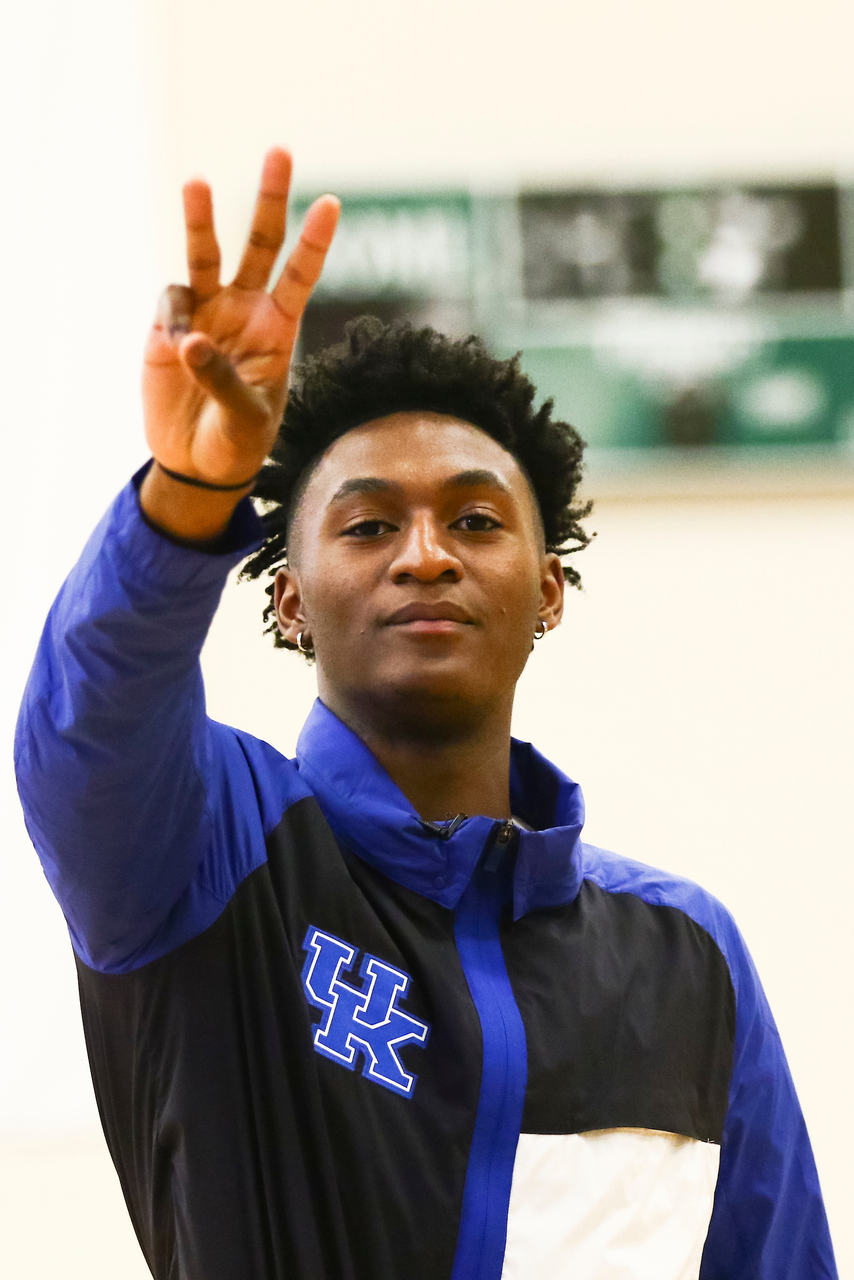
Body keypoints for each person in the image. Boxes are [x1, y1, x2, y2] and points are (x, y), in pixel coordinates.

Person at [14, 148, 836, 1280]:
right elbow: (88, 730)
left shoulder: (685, 950)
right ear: (288, 598)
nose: (423, 555)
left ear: (547, 588)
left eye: (475, 520)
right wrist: (188, 496)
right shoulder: (211, 851)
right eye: (364, 526)